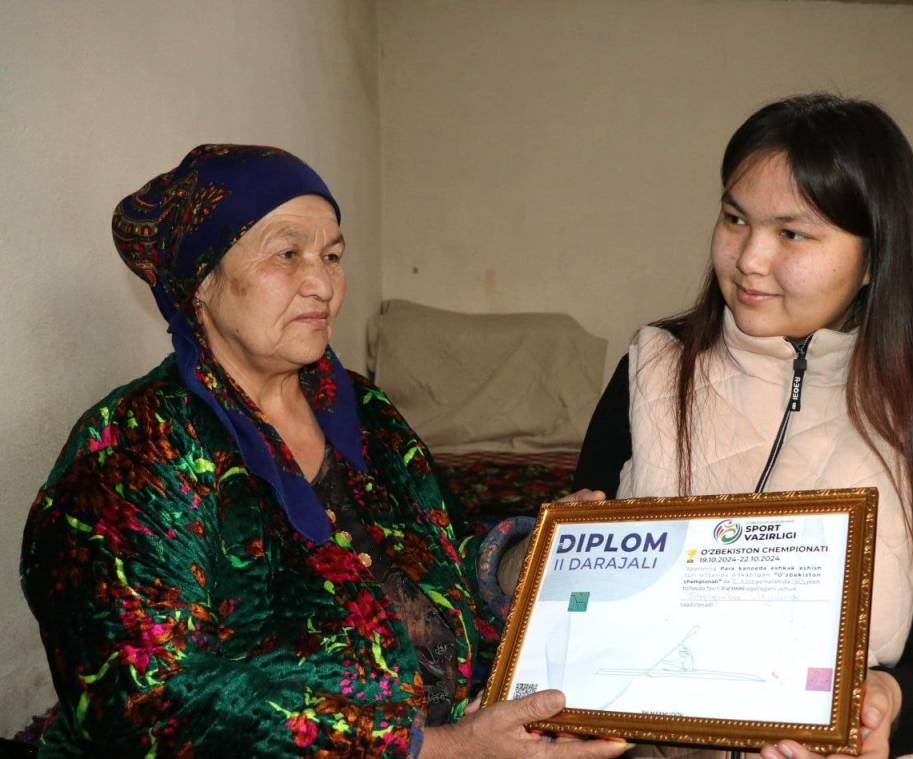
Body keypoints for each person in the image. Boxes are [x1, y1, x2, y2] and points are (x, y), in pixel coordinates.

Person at [21, 144, 629, 759]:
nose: (322, 284)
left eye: (332, 256)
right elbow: (143, 702)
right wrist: (442, 748)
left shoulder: (362, 411)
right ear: (201, 281)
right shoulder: (136, 446)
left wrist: (523, 560)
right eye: (287, 254)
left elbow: (436, 560)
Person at [571, 95, 913, 758]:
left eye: (792, 234)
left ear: (875, 257)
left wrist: (888, 702)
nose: (749, 259)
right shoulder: (654, 368)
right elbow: (576, 576)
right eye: (735, 219)